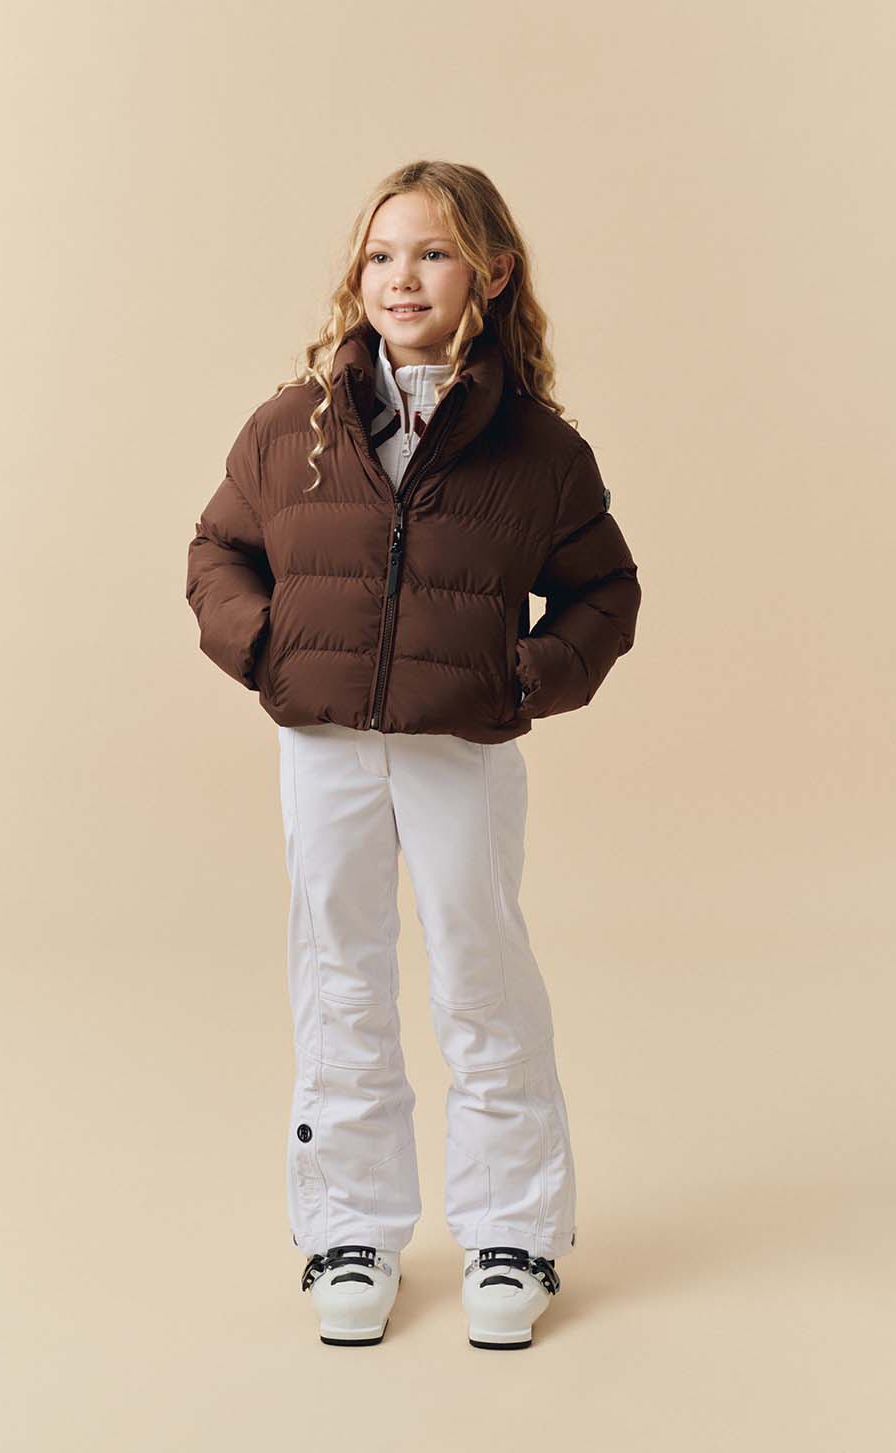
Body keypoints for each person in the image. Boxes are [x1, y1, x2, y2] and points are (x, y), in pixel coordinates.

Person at [185, 160, 642, 1348]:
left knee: (479, 974)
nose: (402, 278)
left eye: (432, 253)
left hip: (459, 751)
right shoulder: (293, 428)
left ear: (490, 273)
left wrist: (520, 678)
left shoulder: (536, 452)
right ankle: (349, 1228)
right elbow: (218, 552)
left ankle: (512, 1232)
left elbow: (604, 591)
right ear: (358, 274)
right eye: (382, 255)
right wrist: (268, 650)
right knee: (337, 970)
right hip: (323, 744)